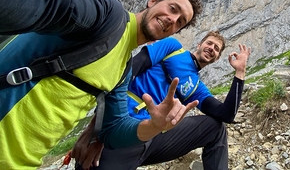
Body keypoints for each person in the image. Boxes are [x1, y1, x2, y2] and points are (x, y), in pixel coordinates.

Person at [0, 0, 203, 170]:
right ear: (153, 0)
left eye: (180, 22)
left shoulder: (122, 68)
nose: (172, 20)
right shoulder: (108, 15)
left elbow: (115, 130)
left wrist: (154, 126)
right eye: (173, 9)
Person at [73, 30, 251, 170]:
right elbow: (128, 72)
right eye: (209, 43)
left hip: (154, 137)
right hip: (123, 126)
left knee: (215, 128)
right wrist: (95, 131)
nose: (212, 48)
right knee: (89, 164)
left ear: (217, 58)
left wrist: (240, 72)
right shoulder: (172, 47)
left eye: (217, 49)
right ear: (199, 44)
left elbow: (225, 114)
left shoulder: (196, 87)